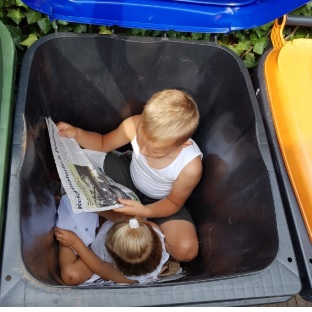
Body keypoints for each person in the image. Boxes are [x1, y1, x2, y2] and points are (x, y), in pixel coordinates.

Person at [57, 89, 203, 262]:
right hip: (128, 176)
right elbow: (103, 143)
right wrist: (77, 134)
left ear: (183, 144)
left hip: (161, 202)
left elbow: (173, 202)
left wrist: (145, 211)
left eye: (155, 151)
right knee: (78, 159)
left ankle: (136, 220)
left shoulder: (190, 166)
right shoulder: (135, 124)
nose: (143, 151)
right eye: (141, 140)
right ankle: (134, 221)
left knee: (186, 251)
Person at [55, 194, 169, 285]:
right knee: (124, 212)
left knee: (70, 276)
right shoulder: (153, 230)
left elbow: (100, 266)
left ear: (116, 264)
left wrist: (75, 242)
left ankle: (66, 226)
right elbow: (129, 218)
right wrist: (96, 209)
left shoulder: (128, 277)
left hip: (97, 251)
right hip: (118, 219)